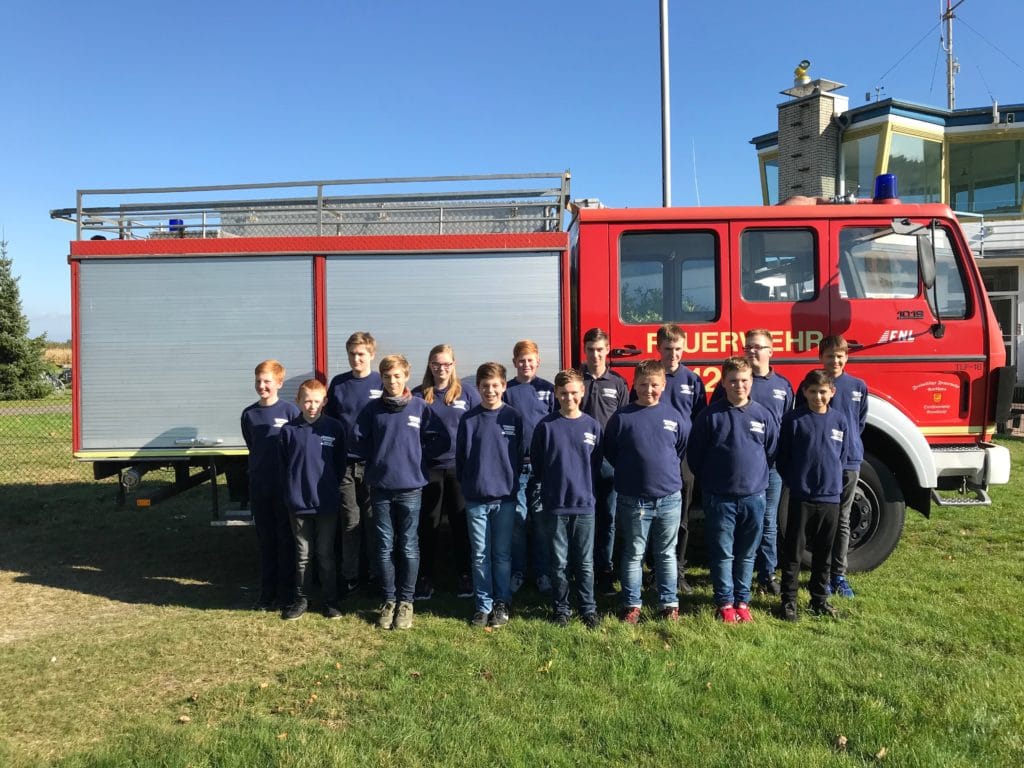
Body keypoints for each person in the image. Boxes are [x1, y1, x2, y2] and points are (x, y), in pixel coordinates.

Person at [354, 354, 443, 630]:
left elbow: (440, 439)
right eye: (386, 376)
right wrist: (377, 460)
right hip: (380, 487)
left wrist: (417, 457)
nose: (392, 381)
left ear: (406, 376)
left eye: (397, 376)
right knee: (384, 546)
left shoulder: (419, 407)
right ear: (381, 378)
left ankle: (406, 601)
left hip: (411, 487)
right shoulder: (372, 410)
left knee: (408, 545)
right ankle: (389, 599)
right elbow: (358, 440)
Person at [689, 357, 778, 623]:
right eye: (733, 381)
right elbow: (695, 456)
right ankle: (725, 603)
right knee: (723, 552)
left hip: (754, 497)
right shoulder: (710, 416)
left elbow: (770, 451)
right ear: (723, 383)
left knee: (747, 553)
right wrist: (713, 482)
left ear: (751, 382)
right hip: (720, 498)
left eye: (744, 380)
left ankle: (742, 601)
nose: (739, 385)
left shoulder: (763, 415)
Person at [710, 329, 794, 595]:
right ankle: (735, 576)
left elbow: (787, 425)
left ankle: (767, 574)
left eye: (758, 347)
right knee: (736, 526)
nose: (752, 351)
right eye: (748, 347)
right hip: (737, 470)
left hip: (771, 466)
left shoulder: (783, 386)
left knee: (768, 521)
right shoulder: (735, 381)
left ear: (771, 351)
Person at [605, 359, 689, 623]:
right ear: (634, 385)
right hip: (633, 499)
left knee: (666, 553)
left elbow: (680, 448)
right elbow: (611, 451)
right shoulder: (622, 418)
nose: (648, 390)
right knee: (634, 553)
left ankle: (669, 603)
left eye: (654, 385)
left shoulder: (674, 416)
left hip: (669, 498)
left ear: (663, 385)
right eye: (643, 384)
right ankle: (632, 604)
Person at [776, 369, 851, 620]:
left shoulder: (839, 421)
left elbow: (841, 456)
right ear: (805, 392)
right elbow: (783, 458)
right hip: (801, 497)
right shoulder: (793, 420)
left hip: (830, 497)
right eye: (813, 391)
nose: (818, 396)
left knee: (823, 553)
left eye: (823, 392)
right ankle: (789, 601)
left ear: (832, 392)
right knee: (794, 552)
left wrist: (831, 482)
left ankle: (819, 599)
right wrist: (797, 482)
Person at [531, 369, 603, 629]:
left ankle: (588, 608)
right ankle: (561, 608)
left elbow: (595, 464)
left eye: (573, 392)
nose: (568, 398)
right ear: (556, 394)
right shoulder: (546, 426)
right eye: (563, 393)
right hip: (556, 505)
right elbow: (538, 464)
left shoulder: (592, 426)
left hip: (584, 504)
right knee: (559, 562)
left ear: (582, 392)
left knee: (585, 563)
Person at [456, 362, 524, 629]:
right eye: (485, 386)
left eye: (496, 385)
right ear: (478, 388)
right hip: (476, 498)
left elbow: (518, 454)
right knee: (480, 554)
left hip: (505, 497)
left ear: (504, 386)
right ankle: (483, 605)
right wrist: (472, 485)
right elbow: (461, 459)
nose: (490, 390)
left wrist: (509, 481)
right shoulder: (469, 419)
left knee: (502, 555)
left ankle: (502, 602)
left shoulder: (513, 417)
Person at [412, 344, 479, 600]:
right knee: (428, 525)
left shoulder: (467, 393)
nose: (441, 369)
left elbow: (479, 426)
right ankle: (425, 578)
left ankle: (464, 575)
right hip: (429, 469)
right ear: (429, 365)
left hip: (458, 468)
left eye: (446, 364)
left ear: (454, 365)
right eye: (436, 364)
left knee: (460, 524)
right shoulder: (418, 395)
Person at [278, 379, 347, 621]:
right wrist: (292, 492)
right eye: (307, 401)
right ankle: (301, 600)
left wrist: (329, 488)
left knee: (325, 554)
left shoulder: (335, 428)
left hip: (326, 502)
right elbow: (284, 466)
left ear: (325, 401)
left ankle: (330, 601)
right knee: (303, 554)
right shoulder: (288, 431)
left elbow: (340, 465)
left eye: (317, 401)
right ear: (297, 401)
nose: (312, 406)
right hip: (298, 504)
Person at [324, 331, 383, 597]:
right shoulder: (338, 383)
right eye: (352, 354)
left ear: (372, 354)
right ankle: (350, 575)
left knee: (372, 522)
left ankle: (376, 573)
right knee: (350, 521)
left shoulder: (381, 381)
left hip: (373, 464)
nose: (356, 359)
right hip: (345, 465)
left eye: (361, 354)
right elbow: (329, 421)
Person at [240, 360, 300, 611]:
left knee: (285, 539)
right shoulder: (249, 414)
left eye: (267, 381)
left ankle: (287, 594)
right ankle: (267, 594)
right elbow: (252, 446)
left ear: (279, 383)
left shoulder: (290, 412)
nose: (262, 386)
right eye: (258, 381)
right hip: (260, 487)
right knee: (266, 541)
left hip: (283, 487)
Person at [503, 339, 556, 594]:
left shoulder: (548, 389)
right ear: (514, 362)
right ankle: (518, 571)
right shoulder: (507, 390)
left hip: (542, 467)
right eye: (521, 360)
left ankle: (543, 572)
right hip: (516, 467)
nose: (526, 364)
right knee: (518, 521)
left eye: (530, 360)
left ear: (538, 361)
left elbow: (556, 424)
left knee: (542, 521)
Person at [579, 327, 629, 597]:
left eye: (600, 350)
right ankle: (583, 570)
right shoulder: (575, 379)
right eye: (590, 350)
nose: (595, 355)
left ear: (607, 350)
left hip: (609, 462)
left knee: (608, 517)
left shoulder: (618, 383)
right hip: (580, 462)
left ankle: (605, 571)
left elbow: (624, 423)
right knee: (583, 518)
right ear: (584, 350)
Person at [819, 335, 868, 598]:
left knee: (843, 519)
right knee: (824, 520)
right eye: (829, 356)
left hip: (849, 461)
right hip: (822, 463)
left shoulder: (858, 386)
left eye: (839, 356)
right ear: (821, 358)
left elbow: (859, 423)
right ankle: (822, 573)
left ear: (846, 357)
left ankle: (839, 575)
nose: (835, 361)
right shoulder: (814, 385)